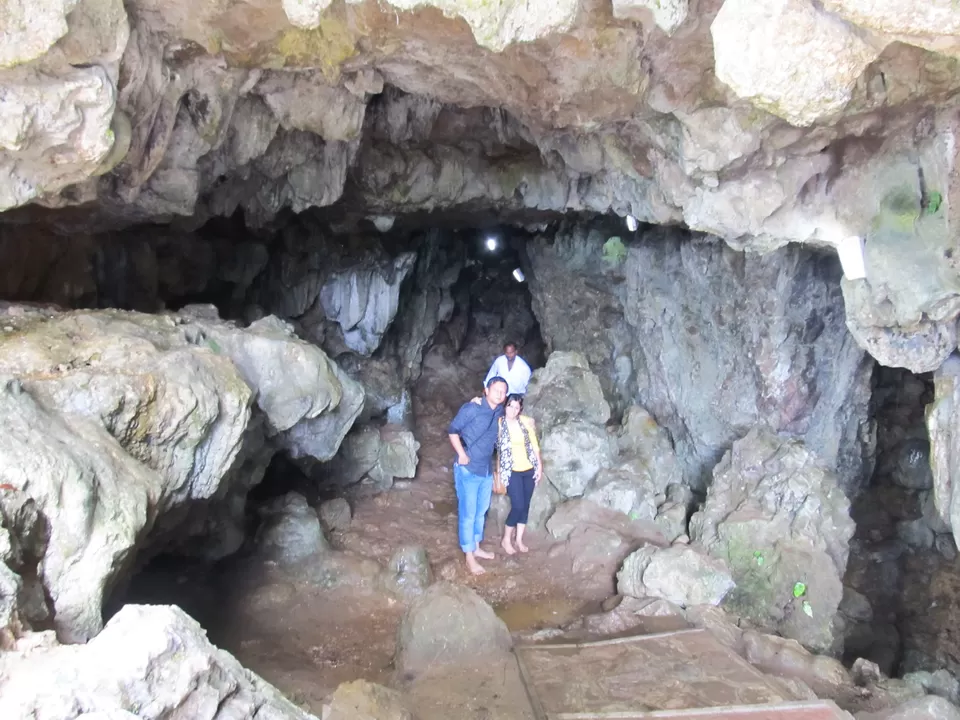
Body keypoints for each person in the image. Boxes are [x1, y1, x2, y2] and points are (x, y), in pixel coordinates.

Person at [447, 376, 508, 575]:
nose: (500, 394)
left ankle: (476, 546)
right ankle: (469, 557)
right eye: (496, 389)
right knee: (468, 514)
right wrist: (462, 454)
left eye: (503, 391)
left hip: (485, 471)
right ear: (487, 390)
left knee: (481, 512)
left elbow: (516, 410)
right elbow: (453, 431)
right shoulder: (471, 408)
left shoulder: (499, 410)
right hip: (467, 470)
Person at [495, 395, 542, 555]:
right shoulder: (499, 423)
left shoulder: (524, 422)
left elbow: (534, 445)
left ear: (520, 409)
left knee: (526, 505)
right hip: (512, 471)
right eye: (510, 406)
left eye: (516, 407)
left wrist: (539, 466)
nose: (513, 410)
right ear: (505, 406)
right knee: (518, 506)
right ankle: (506, 539)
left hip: (529, 469)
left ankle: (519, 540)